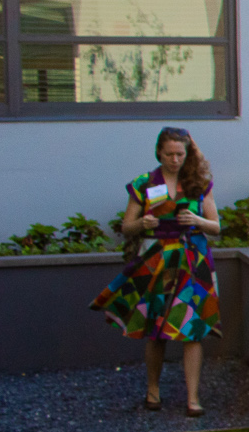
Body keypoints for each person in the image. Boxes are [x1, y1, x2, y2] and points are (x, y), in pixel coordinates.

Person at [90, 127, 223, 415]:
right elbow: (126, 227)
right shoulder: (144, 183)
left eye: (180, 154)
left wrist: (197, 219)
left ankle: (192, 399)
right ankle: (153, 391)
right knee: (155, 329)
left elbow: (216, 228)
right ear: (158, 153)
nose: (175, 160)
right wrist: (143, 224)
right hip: (156, 260)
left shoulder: (199, 183)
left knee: (192, 330)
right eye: (169, 154)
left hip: (191, 262)